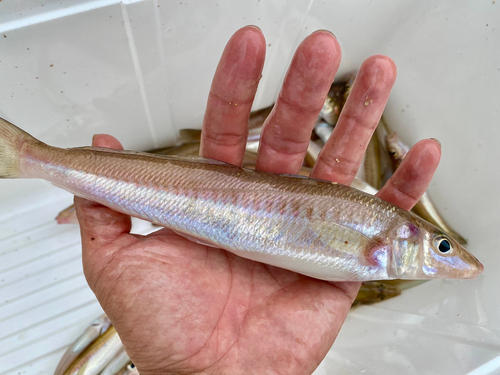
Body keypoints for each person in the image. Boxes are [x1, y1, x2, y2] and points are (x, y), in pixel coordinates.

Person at [74, 26, 441, 374]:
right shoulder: (375, 248)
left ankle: (42, 159)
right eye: (442, 246)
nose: (442, 255)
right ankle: (36, 158)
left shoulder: (373, 254)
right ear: (405, 234)